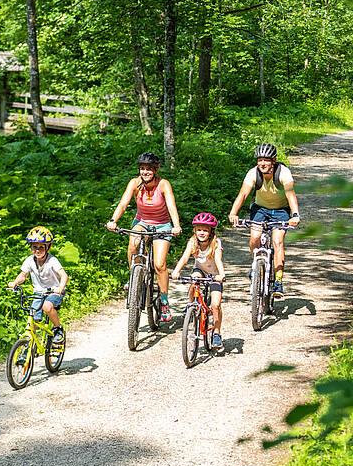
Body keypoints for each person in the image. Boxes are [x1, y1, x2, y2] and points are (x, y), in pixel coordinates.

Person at [106, 152, 181, 322]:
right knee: (133, 241)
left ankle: (164, 302)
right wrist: (113, 220)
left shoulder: (163, 185)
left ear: (155, 170)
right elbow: (123, 203)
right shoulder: (134, 183)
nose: (145, 172)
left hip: (162, 225)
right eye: (142, 168)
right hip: (142, 221)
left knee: (160, 265)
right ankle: (133, 276)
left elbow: (171, 205)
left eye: (148, 169)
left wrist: (176, 226)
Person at [228, 143, 300, 296]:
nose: (262, 163)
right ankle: (256, 265)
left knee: (277, 241)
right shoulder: (253, 173)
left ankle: (278, 281)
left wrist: (295, 215)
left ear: (273, 160)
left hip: (281, 210)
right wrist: (233, 212)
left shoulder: (283, 173)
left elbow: (290, 195)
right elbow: (243, 194)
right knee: (255, 237)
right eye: (260, 160)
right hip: (260, 209)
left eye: (266, 160)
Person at [171, 213, 226, 350]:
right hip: (200, 270)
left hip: (214, 274)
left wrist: (221, 274)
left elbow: (218, 260)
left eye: (205, 230)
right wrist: (176, 271)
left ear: (211, 232)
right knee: (193, 280)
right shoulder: (192, 242)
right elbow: (184, 258)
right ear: (194, 230)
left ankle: (217, 333)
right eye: (199, 229)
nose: (202, 233)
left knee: (215, 304)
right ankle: (191, 304)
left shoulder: (216, 243)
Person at [8, 226, 68, 342]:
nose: (37, 250)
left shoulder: (52, 261)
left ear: (48, 247)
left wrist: (60, 287)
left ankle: (58, 328)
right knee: (32, 316)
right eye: (34, 247)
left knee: (47, 306)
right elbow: (23, 275)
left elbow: (64, 276)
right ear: (31, 247)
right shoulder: (30, 260)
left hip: (53, 292)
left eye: (41, 247)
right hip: (38, 293)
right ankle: (29, 346)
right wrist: (15, 282)